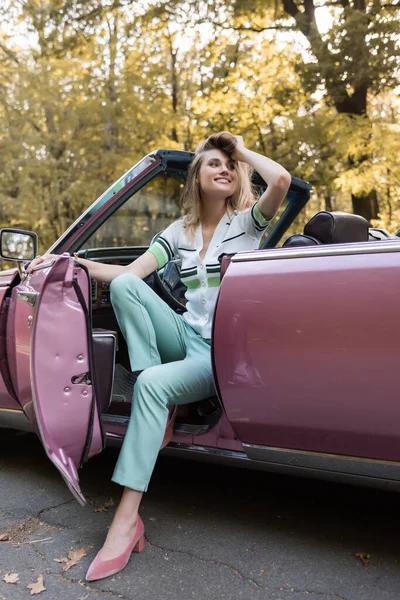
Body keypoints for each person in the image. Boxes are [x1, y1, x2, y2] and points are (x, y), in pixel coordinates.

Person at [29, 132, 291, 580]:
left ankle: (126, 520)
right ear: (196, 176)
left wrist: (240, 148)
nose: (224, 169)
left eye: (231, 166)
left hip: (219, 354)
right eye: (213, 163)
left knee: (150, 386)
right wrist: (75, 263)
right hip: (184, 338)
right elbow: (129, 276)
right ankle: (160, 392)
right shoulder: (179, 232)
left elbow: (282, 181)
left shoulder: (248, 223)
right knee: (129, 287)